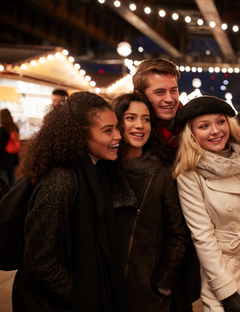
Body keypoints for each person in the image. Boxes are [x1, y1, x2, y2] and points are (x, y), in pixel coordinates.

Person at [12, 92, 128, 311]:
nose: (118, 136)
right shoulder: (61, 182)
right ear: (81, 136)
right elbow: (38, 259)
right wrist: (79, 294)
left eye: (117, 127)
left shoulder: (97, 171)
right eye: (107, 130)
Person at [173, 96, 240, 312]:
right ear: (192, 134)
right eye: (204, 126)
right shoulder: (188, 173)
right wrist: (227, 291)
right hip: (227, 271)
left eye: (220, 121)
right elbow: (203, 238)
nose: (215, 131)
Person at [133, 58, 201, 312]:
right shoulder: (131, 134)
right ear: (141, 95)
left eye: (173, 90)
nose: (169, 98)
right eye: (159, 92)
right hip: (146, 247)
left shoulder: (194, 127)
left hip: (187, 246)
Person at [111, 92, 189, 312]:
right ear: (115, 122)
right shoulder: (100, 171)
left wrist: (161, 283)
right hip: (102, 286)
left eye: (146, 119)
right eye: (130, 118)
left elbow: (177, 235)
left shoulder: (161, 174)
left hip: (145, 293)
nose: (140, 125)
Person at [0, 109, 19, 186]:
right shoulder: (15, 127)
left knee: (3, 181)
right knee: (12, 178)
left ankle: (5, 197)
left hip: (3, 158)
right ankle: (14, 196)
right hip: (13, 157)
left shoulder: (2, 130)